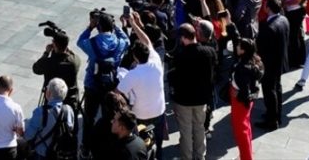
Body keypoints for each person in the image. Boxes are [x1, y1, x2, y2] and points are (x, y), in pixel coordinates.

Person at [76, 10, 129, 151]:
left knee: (89, 118)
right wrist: (116, 27)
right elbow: (127, 40)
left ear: (98, 27)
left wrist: (90, 27)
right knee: (110, 118)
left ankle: (86, 147)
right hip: (111, 87)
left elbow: (80, 41)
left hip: (92, 85)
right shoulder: (119, 43)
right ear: (111, 27)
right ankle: (108, 146)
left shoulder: (92, 43)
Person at [116, 12, 165, 156]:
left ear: (135, 57)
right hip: (159, 110)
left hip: (141, 114)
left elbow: (117, 92)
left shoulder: (133, 74)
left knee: (143, 143)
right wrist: (134, 24)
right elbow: (147, 41)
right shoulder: (156, 61)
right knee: (158, 142)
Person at [170, 22, 216, 160]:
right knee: (199, 128)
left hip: (184, 100)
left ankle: (187, 157)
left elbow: (175, 78)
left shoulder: (180, 56)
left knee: (185, 131)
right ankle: (200, 156)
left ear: (183, 38)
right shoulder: (209, 52)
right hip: (202, 99)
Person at [255, 0, 290, 130]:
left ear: (268, 8)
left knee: (269, 92)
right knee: (277, 88)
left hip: (269, 64)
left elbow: (261, 48)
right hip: (280, 61)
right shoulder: (284, 19)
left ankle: (272, 120)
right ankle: (276, 113)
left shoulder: (267, 26)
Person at [23, 78, 76, 160]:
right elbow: (70, 127)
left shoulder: (40, 112)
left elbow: (28, 136)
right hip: (61, 153)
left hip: (42, 154)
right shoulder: (68, 110)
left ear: (48, 93)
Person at [229, 38, 263, 160]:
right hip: (248, 102)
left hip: (240, 102)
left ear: (243, 51)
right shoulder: (256, 61)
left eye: (239, 46)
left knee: (241, 132)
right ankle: (246, 154)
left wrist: (236, 94)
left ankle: (246, 157)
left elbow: (244, 91)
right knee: (246, 127)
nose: (237, 47)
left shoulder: (242, 68)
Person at [31, 28, 81, 107]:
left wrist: (46, 52)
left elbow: (36, 68)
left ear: (54, 45)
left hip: (52, 102)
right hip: (70, 101)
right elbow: (70, 54)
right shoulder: (75, 61)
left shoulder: (48, 63)